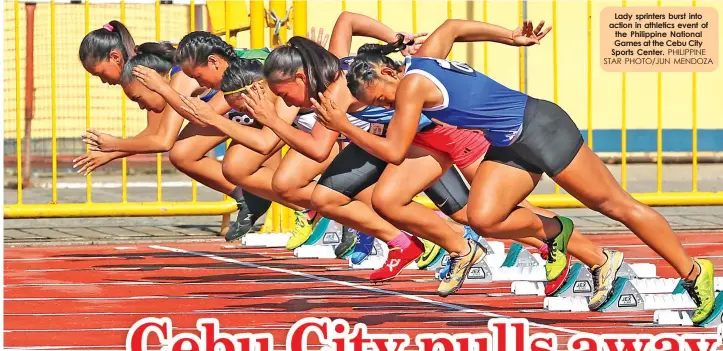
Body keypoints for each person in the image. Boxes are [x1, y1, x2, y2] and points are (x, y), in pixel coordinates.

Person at [342, 17, 715, 321]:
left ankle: (694, 272)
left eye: (380, 97)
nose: (387, 104)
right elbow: (452, 26)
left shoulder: (410, 87)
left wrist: (342, 126)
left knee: (616, 207)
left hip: (542, 129)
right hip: (510, 143)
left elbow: (394, 151)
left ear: (387, 73)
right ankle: (557, 231)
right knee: (483, 217)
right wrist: (509, 38)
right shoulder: (423, 59)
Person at [311, 12, 607, 296]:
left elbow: (450, 27)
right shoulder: (338, 78)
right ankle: (462, 249)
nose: (386, 105)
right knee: (388, 201)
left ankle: (596, 258)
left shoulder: (418, 65)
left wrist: (510, 37)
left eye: (380, 99)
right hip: (423, 141)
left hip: (459, 136)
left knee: (494, 210)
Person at [75, 22, 272, 240]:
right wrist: (111, 153)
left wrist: (114, 146)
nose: (103, 81)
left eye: (100, 73)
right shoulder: (146, 70)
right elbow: (153, 134)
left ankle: (266, 198)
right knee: (189, 154)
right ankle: (250, 196)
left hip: (261, 98)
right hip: (237, 109)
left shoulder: (158, 74)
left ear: (115, 57)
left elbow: (162, 140)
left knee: (189, 154)